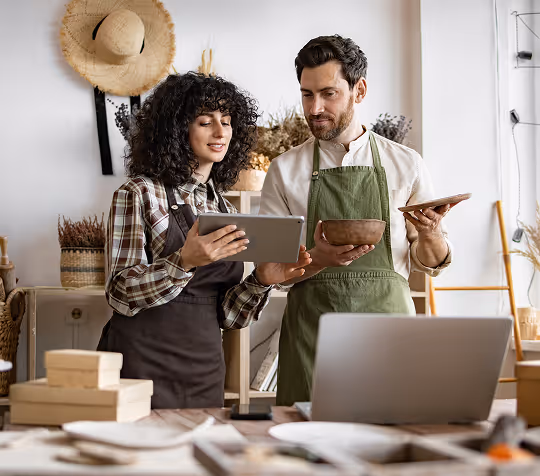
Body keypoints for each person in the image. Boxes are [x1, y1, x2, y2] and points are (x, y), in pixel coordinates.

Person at [259, 35, 454, 406]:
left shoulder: (406, 164)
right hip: (312, 335)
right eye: (306, 94)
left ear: (359, 90)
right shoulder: (284, 171)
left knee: (393, 443)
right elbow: (268, 268)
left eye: (328, 93)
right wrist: (318, 258)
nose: (315, 108)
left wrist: (431, 233)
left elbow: (429, 263)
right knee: (307, 451)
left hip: (391, 336)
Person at [98, 72, 311, 409]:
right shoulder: (138, 193)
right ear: (178, 129)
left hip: (205, 371)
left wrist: (262, 281)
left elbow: (224, 315)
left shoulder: (222, 206)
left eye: (226, 122)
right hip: (139, 364)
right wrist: (183, 261)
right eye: (205, 121)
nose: (220, 132)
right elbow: (120, 292)